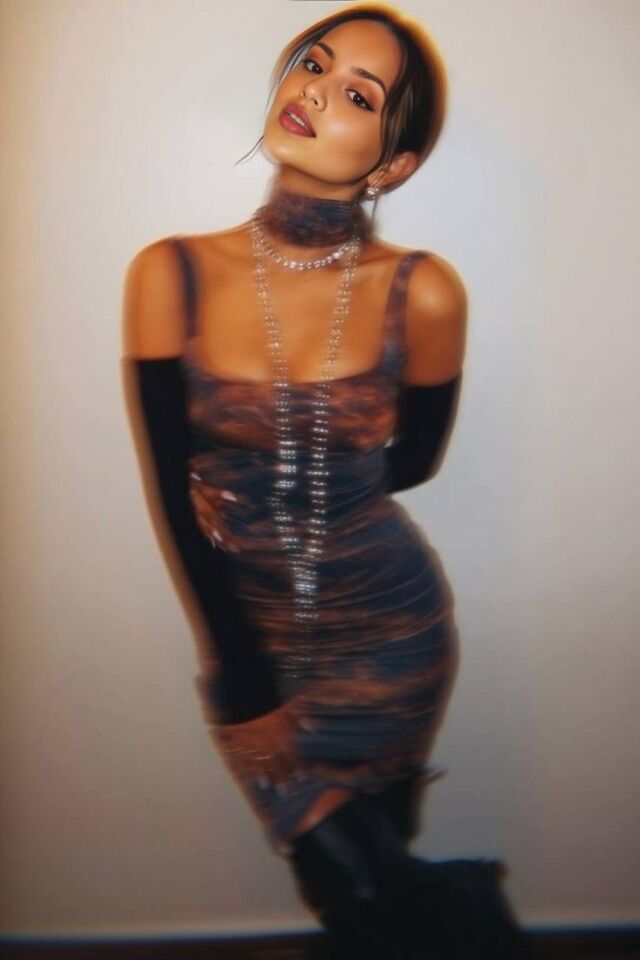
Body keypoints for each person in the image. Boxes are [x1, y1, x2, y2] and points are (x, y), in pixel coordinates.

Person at [122, 4, 524, 956]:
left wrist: (299, 479)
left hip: (391, 638)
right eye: (315, 63)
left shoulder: (424, 290)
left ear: (393, 166)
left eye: (359, 95)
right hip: (250, 634)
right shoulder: (168, 273)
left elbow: (414, 462)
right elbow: (168, 490)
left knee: (372, 887)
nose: (315, 89)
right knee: (358, 890)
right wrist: (243, 677)